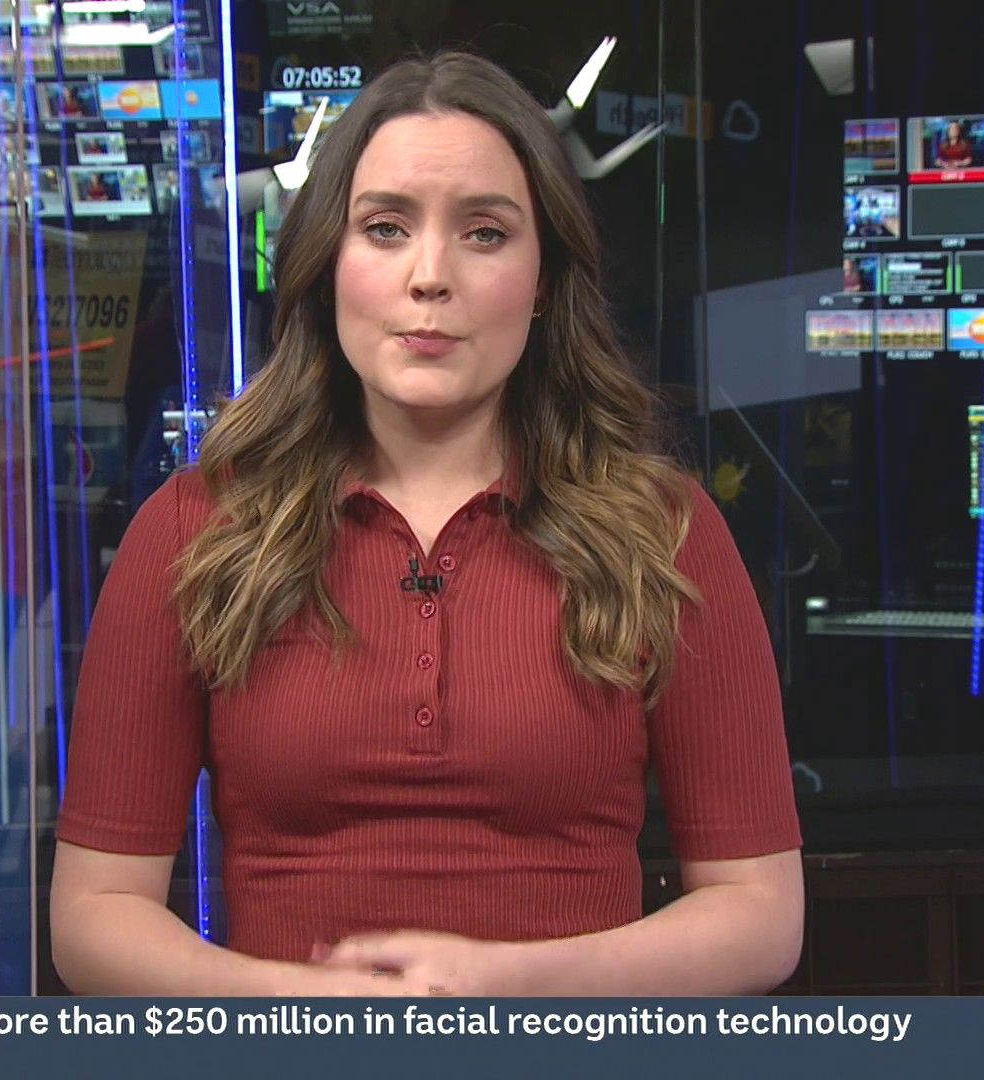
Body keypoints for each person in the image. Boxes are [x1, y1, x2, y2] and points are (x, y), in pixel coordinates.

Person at [48, 51, 804, 997]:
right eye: (386, 228)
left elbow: (760, 913)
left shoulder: (664, 531)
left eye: (485, 233)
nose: (430, 277)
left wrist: (510, 985)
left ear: (542, 278)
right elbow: (92, 914)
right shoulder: (195, 530)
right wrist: (308, 1006)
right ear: (327, 264)